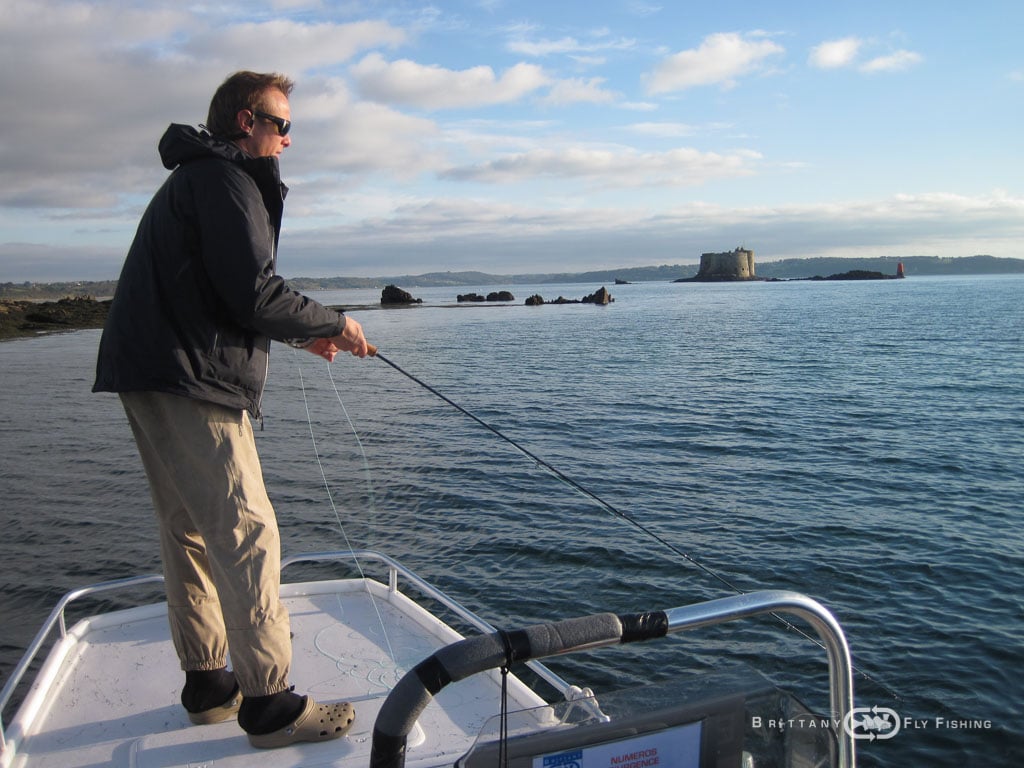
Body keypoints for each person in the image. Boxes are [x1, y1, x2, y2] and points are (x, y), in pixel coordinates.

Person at [93, 71, 367, 749]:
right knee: (247, 531)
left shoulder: (197, 178)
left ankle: (209, 684)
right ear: (246, 123)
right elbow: (253, 291)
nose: (288, 141)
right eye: (282, 125)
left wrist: (308, 334)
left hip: (151, 371)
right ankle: (270, 704)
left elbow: (219, 294)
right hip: (190, 380)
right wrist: (334, 320)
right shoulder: (224, 177)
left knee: (187, 528)